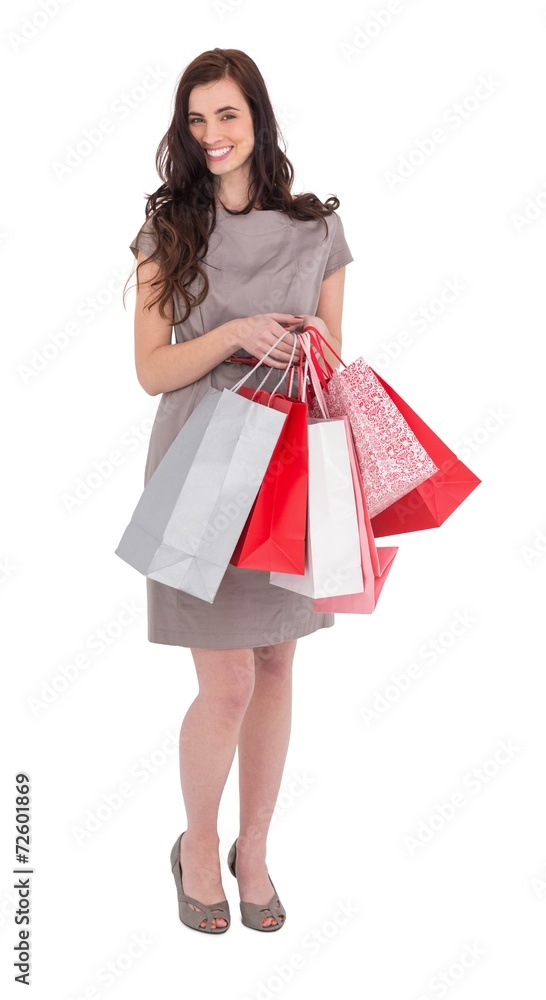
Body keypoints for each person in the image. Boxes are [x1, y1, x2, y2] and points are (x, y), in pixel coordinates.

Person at [124, 47, 353, 933]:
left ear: (257, 115)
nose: (211, 136)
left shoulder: (319, 231)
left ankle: (252, 849)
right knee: (224, 685)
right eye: (195, 120)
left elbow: (335, 358)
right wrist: (235, 336)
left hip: (292, 468)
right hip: (201, 468)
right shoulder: (167, 231)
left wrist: (303, 346)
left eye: (225, 115)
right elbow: (151, 371)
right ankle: (196, 842)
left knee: (277, 662)